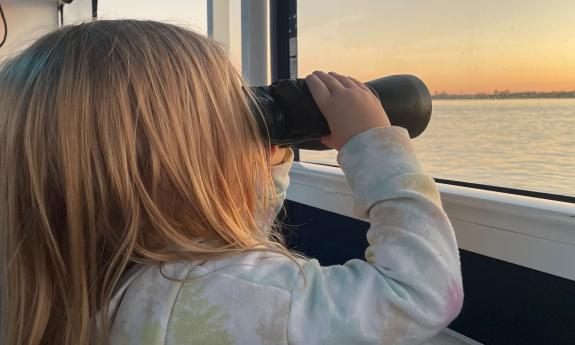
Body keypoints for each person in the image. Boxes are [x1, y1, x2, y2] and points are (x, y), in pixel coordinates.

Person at [0, 20, 463, 345]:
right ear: (182, 166)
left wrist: (266, 172)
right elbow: (417, 295)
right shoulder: (232, 295)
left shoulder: (80, 282)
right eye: (229, 116)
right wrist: (373, 145)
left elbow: (214, 249)